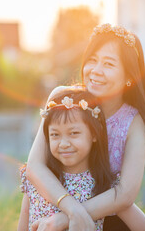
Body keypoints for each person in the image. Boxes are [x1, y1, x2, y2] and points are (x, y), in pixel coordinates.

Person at [25, 23, 145, 231]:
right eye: (92, 60)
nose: (96, 71)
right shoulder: (62, 99)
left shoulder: (134, 122)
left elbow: (125, 194)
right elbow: (34, 166)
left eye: (109, 64)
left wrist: (67, 218)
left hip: (110, 221)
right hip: (53, 210)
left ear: (129, 76)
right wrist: (70, 210)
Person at [18, 89, 115, 231]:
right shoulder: (37, 181)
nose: (63, 143)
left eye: (74, 133)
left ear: (94, 134)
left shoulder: (105, 186)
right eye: (55, 134)